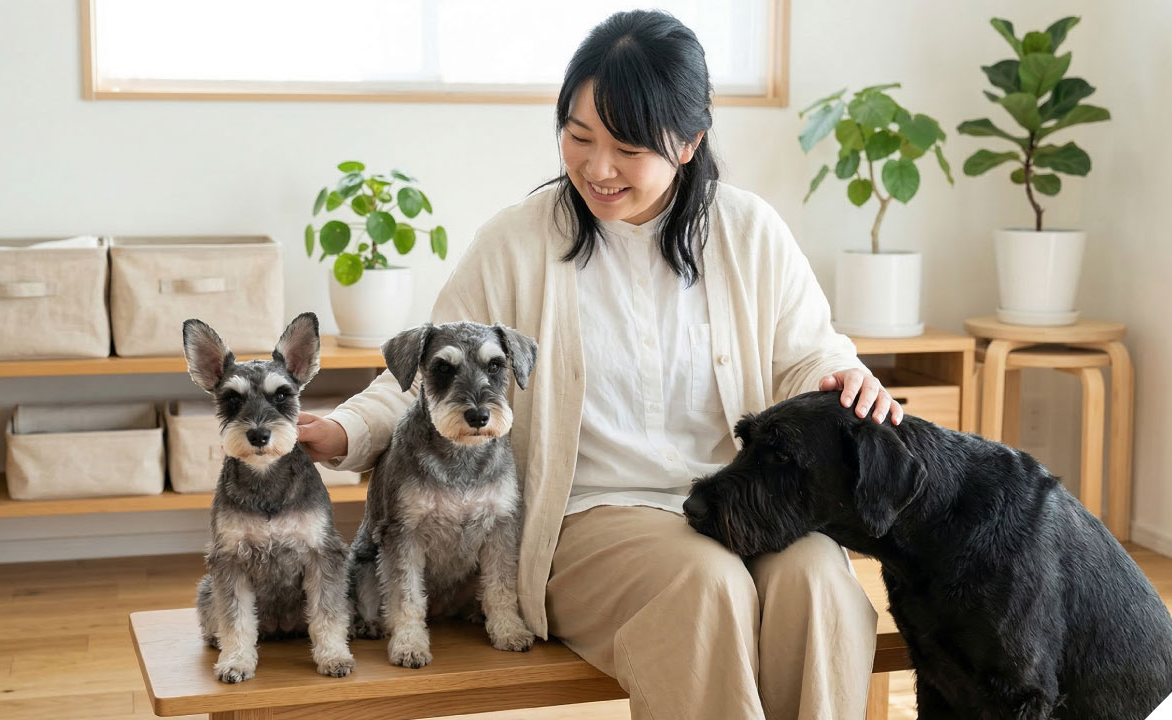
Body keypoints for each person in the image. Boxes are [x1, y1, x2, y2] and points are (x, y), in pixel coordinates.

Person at [298, 10, 902, 719]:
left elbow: (811, 355)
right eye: (579, 138)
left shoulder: (750, 232)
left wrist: (844, 378)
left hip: (739, 500)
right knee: (705, 585)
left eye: (627, 148)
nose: (597, 167)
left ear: (688, 142)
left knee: (819, 578)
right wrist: (343, 433)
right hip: (588, 519)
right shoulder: (516, 242)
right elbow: (429, 378)